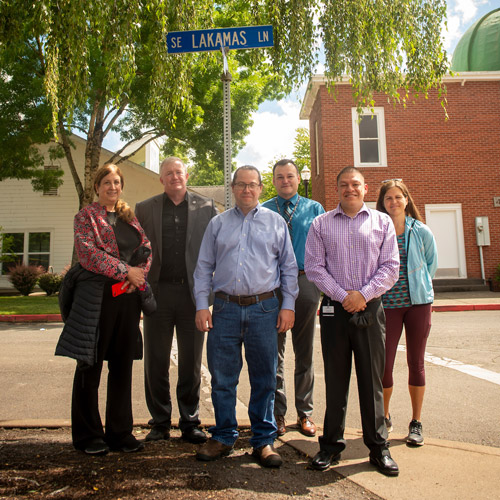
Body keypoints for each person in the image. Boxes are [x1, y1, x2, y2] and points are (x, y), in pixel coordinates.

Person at [193, 165, 299, 468]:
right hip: (224, 309)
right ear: (233, 187)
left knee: (265, 376)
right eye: (241, 185)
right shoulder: (217, 224)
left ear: (261, 188)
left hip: (264, 308)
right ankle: (224, 436)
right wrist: (202, 305)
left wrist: (288, 305)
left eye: (252, 185)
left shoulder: (276, 222)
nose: (247, 190)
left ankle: (263, 440)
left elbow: (289, 268)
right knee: (223, 378)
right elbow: (203, 268)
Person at [304, 166, 401, 476]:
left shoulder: (382, 222)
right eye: (344, 184)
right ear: (337, 190)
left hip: (370, 310)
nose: (350, 189)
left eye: (355, 184)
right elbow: (315, 268)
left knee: (371, 381)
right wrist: (344, 296)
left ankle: (378, 447)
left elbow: (390, 268)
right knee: (335, 379)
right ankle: (330, 445)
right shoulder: (320, 224)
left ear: (365, 187)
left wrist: (362, 295)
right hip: (334, 311)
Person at [56, 164, 152, 456]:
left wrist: (139, 276)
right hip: (96, 299)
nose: (112, 187)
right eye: (107, 182)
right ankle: (88, 436)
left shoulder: (128, 217)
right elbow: (87, 254)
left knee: (122, 366)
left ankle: (120, 433)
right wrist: (126, 271)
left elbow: (146, 247)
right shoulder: (86, 216)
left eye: (117, 182)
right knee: (90, 365)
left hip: (126, 300)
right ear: (97, 187)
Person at [135, 157, 218, 444]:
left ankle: (190, 421)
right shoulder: (145, 209)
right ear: (161, 179)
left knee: (191, 360)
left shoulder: (207, 208)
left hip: (192, 296)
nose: (174, 177)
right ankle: (159, 422)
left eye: (178, 172)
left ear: (186, 175)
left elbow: (217, 251)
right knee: (155, 360)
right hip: (157, 294)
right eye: (168, 173)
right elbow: (136, 251)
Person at [262, 159, 325, 437]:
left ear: (299, 179)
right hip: (272, 286)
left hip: (305, 282)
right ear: (273, 181)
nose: (285, 181)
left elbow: (326, 247)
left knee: (304, 352)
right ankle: (278, 414)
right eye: (279, 177)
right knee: (274, 353)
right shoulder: (263, 210)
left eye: (290, 176)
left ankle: (305, 413)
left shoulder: (315, 209)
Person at [376, 179, 438, 446]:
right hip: (387, 306)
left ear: (406, 199)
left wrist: (419, 290)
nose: (394, 202)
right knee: (384, 364)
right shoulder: (376, 231)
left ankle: (416, 422)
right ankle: (384, 417)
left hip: (418, 305)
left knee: (417, 363)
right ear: (382, 203)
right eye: (388, 198)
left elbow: (430, 265)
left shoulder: (421, 231)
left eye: (398, 197)